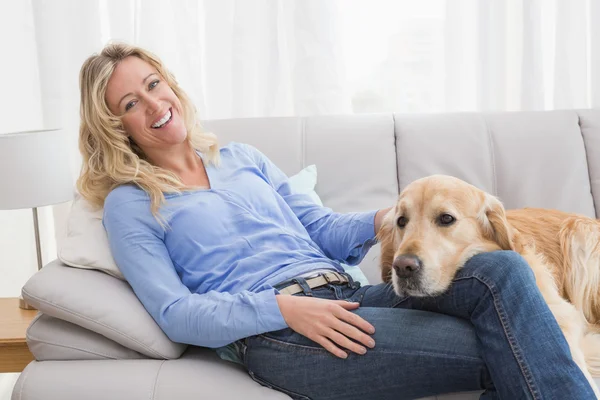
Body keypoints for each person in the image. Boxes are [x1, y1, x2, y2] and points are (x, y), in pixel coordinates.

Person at [76, 42, 597, 400]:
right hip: (282, 333)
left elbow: (320, 231)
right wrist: (283, 309)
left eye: (153, 84)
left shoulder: (241, 159)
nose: (153, 104)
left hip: (348, 295)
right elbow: (175, 312)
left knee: (503, 272)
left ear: (170, 83)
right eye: (130, 102)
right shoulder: (131, 202)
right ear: (115, 126)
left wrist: (393, 219)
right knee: (517, 334)